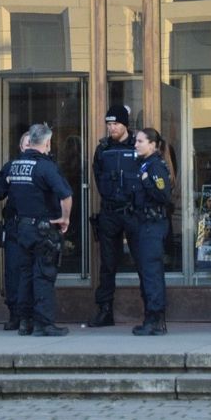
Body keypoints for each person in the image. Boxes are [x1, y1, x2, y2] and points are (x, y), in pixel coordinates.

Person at [0, 123, 73, 337]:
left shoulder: (13, 165)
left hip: (22, 230)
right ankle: (44, 324)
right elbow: (65, 195)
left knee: (25, 275)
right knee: (44, 275)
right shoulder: (45, 167)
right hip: (43, 229)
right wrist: (65, 219)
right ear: (46, 142)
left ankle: (24, 322)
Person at [86, 104, 141, 328]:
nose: (112, 128)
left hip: (133, 212)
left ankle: (152, 311)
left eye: (116, 124)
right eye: (109, 124)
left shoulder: (138, 145)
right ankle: (105, 310)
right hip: (109, 211)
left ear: (125, 124)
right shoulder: (103, 148)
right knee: (108, 264)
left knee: (142, 261)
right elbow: (98, 176)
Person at [130, 127, 171, 335]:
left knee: (152, 272)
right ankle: (150, 317)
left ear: (152, 145)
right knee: (146, 272)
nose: (136, 144)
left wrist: (146, 181)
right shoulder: (144, 164)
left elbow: (164, 194)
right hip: (144, 224)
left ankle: (155, 319)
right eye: (136, 141)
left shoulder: (155, 166)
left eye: (140, 141)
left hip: (152, 225)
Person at [0, 131, 30, 330]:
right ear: (20, 147)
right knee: (13, 271)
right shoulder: (11, 168)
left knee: (32, 273)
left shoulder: (45, 167)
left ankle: (29, 315)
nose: (28, 148)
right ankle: (15, 314)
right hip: (15, 226)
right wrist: (7, 181)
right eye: (25, 144)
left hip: (35, 228)